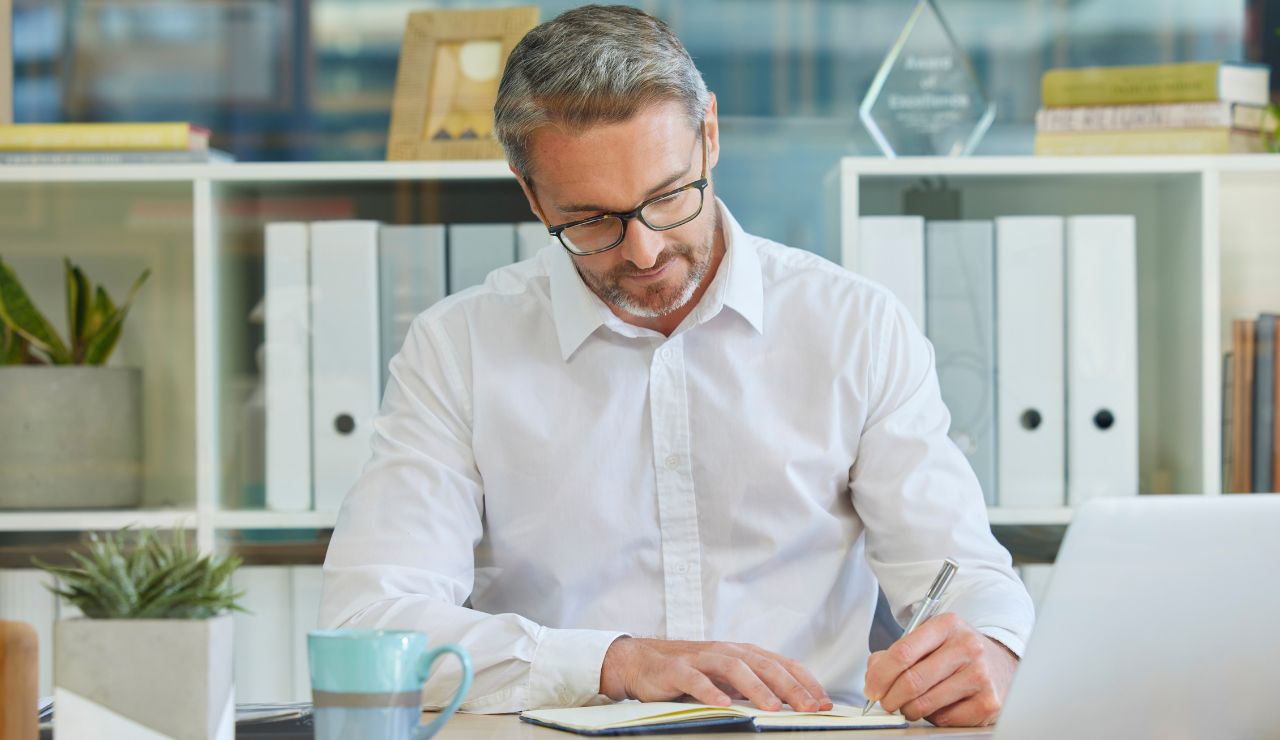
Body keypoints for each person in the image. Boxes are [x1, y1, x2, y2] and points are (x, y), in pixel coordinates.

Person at [320, 4, 1032, 728]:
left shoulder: (855, 327)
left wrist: (994, 650)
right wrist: (617, 662)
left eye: (667, 198)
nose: (644, 252)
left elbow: (964, 576)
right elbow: (369, 623)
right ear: (531, 193)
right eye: (591, 219)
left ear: (710, 135)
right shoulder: (459, 350)